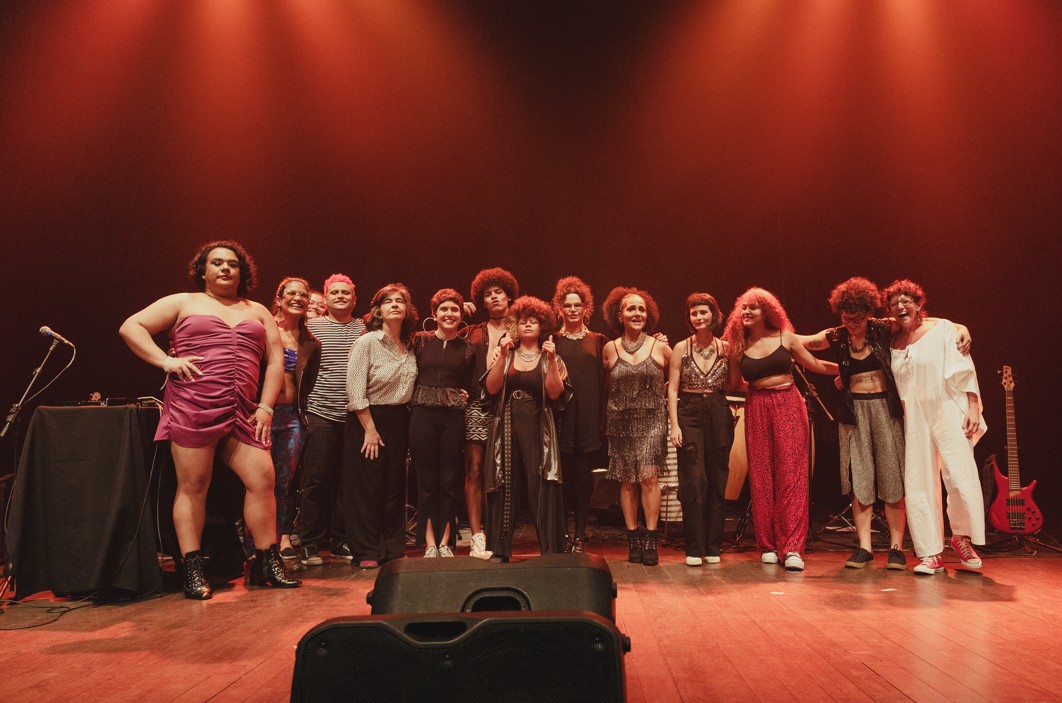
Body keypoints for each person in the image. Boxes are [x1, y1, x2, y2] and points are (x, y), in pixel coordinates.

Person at [119, 241, 300, 599]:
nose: (225, 269)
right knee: (193, 486)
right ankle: (192, 566)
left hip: (244, 409)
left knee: (263, 478)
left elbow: (276, 362)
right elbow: (131, 326)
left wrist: (266, 407)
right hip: (194, 404)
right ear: (203, 270)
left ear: (241, 271)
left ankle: (266, 561)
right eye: (216, 263)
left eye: (232, 264)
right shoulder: (184, 302)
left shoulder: (259, 310)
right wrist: (166, 361)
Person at [797, 277, 973, 571]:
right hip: (854, 413)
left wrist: (958, 326)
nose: (851, 324)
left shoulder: (882, 328)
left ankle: (895, 547)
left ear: (868, 313)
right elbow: (802, 342)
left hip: (885, 409)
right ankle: (864, 547)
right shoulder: (837, 335)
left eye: (857, 318)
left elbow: (919, 321)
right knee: (860, 481)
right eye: (846, 318)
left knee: (893, 478)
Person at [723, 287, 837, 572]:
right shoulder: (738, 346)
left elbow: (813, 364)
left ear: (768, 312)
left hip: (787, 402)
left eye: (754, 307)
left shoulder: (785, 337)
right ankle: (769, 545)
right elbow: (735, 384)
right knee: (761, 475)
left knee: (791, 475)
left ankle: (792, 548)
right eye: (744, 308)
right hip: (757, 406)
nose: (747, 312)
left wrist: (847, 370)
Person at [885, 279, 986, 575]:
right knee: (918, 482)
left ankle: (962, 538)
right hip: (913, 416)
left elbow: (964, 367)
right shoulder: (891, 342)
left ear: (918, 304)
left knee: (959, 474)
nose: (901, 307)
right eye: (894, 303)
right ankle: (930, 553)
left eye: (906, 301)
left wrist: (973, 405)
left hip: (946, 407)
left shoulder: (942, 330)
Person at [483, 296, 568, 562]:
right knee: (504, 483)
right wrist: (502, 357)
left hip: (538, 424)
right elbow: (491, 388)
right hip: (507, 423)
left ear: (542, 327)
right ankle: (500, 548)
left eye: (534, 321)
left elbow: (555, 394)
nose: (528, 325)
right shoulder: (505, 354)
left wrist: (552, 361)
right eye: (523, 321)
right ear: (514, 326)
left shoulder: (551, 356)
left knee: (541, 483)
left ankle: (550, 549)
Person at [243, 277, 320, 561]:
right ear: (279, 298)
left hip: (292, 419)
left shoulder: (311, 342)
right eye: (292, 293)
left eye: (304, 295)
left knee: (284, 482)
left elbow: (307, 384)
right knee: (257, 481)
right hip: (260, 413)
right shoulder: (264, 329)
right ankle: (253, 546)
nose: (298, 298)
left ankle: (276, 541)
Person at [345, 284, 419, 569]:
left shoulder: (411, 345)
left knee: (393, 486)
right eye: (388, 301)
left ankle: (392, 545)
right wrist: (370, 428)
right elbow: (354, 388)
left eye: (400, 300)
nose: (395, 305)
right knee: (367, 487)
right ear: (378, 310)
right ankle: (366, 550)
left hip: (399, 418)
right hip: (367, 418)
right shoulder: (367, 342)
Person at [602, 286, 671, 567]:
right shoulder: (609, 349)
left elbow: (675, 385)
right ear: (620, 315)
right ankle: (632, 537)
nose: (637, 313)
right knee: (627, 479)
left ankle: (651, 538)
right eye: (631, 308)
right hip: (620, 420)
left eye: (641, 309)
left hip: (653, 418)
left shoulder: (661, 347)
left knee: (649, 478)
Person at [298, 274, 365, 565]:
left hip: (354, 412)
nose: (340, 296)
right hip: (321, 411)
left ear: (354, 298)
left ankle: (341, 540)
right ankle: (310, 541)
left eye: (345, 292)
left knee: (348, 480)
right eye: (334, 292)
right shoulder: (311, 327)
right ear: (324, 299)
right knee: (317, 477)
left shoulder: (365, 328)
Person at [667, 293, 732, 567]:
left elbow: (735, 382)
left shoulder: (727, 348)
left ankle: (713, 545)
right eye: (694, 313)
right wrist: (674, 424)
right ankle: (694, 547)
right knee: (693, 481)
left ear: (714, 315)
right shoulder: (681, 347)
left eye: (703, 312)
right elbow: (672, 388)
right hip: (689, 410)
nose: (699, 317)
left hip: (718, 408)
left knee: (717, 479)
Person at [410, 289, 475, 558]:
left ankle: (447, 542)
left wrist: (466, 394)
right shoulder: (420, 341)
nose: (449, 314)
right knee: (426, 481)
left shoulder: (468, 347)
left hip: (452, 419)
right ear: (434, 313)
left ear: (461, 315)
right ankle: (429, 543)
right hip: (422, 415)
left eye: (454, 310)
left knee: (450, 480)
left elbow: (471, 385)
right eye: (444, 309)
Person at [462, 267, 520, 559]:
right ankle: (476, 536)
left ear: (509, 296)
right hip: (478, 405)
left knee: (509, 472)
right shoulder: (472, 332)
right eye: (488, 293)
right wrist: (458, 310)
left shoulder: (524, 328)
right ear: (482, 301)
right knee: (475, 470)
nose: (494, 296)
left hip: (514, 406)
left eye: (499, 291)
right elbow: (439, 341)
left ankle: (502, 532)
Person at [551, 276, 607, 553]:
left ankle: (580, 535)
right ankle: (561, 533)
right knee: (561, 480)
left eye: (577, 305)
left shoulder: (597, 340)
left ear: (586, 308)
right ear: (559, 308)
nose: (572, 309)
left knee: (583, 480)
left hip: (586, 418)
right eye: (567, 305)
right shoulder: (552, 340)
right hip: (560, 418)